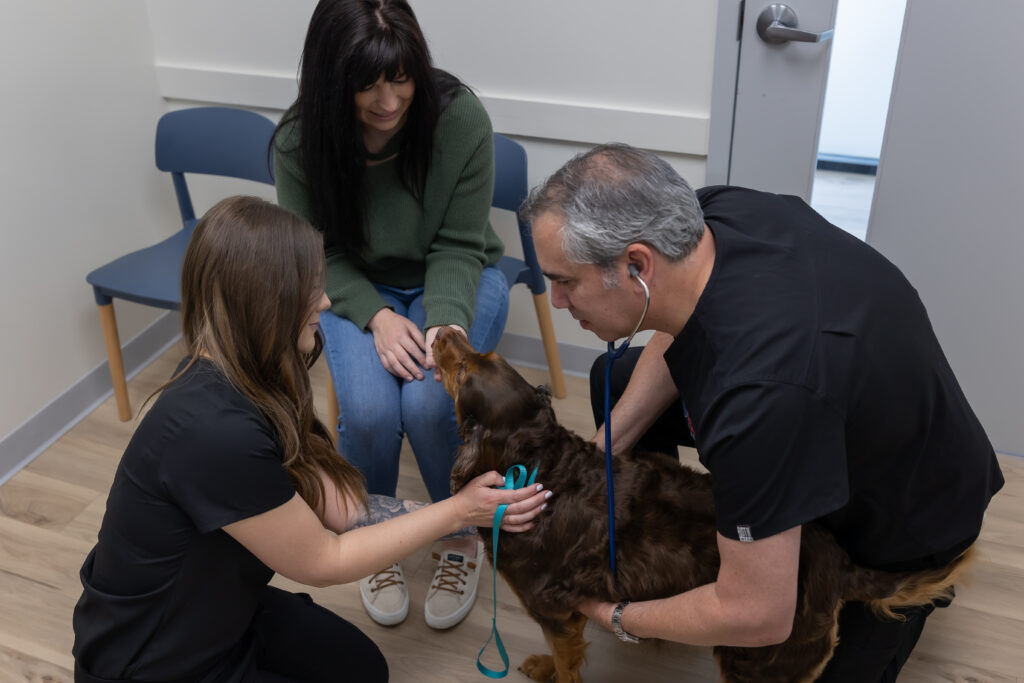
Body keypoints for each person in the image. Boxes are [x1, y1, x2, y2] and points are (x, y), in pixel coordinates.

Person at [520, 143, 1004, 682]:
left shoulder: (759, 397)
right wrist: (598, 455)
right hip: (838, 415)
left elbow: (759, 617)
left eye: (564, 280)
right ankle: (672, 554)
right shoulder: (718, 217)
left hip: (908, 523)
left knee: (795, 635)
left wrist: (618, 616)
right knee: (614, 379)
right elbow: (678, 321)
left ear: (636, 264)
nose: (557, 300)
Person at [71, 196, 548, 683]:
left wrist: (473, 516)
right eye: (311, 288)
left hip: (223, 611)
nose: (325, 301)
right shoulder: (215, 432)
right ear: (265, 298)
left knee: (363, 669)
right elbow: (325, 558)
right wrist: (458, 511)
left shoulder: (242, 375)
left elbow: (341, 508)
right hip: (155, 662)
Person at [272, 0, 508, 629]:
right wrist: (376, 315)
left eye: (400, 77)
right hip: (355, 289)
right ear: (331, 80)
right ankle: (376, 535)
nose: (388, 101)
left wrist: (446, 322)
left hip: (456, 276)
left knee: (432, 403)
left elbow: (459, 244)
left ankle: (461, 536)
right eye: (366, 84)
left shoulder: (460, 119)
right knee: (372, 414)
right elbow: (317, 253)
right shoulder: (298, 142)